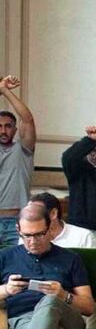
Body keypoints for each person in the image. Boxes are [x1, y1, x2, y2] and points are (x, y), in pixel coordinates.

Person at [0, 76, 36, 246]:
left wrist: (6, 91)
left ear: (15, 130)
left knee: (17, 261)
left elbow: (28, 119)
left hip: (16, 222)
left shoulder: (23, 149)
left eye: (8, 126)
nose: (3, 130)